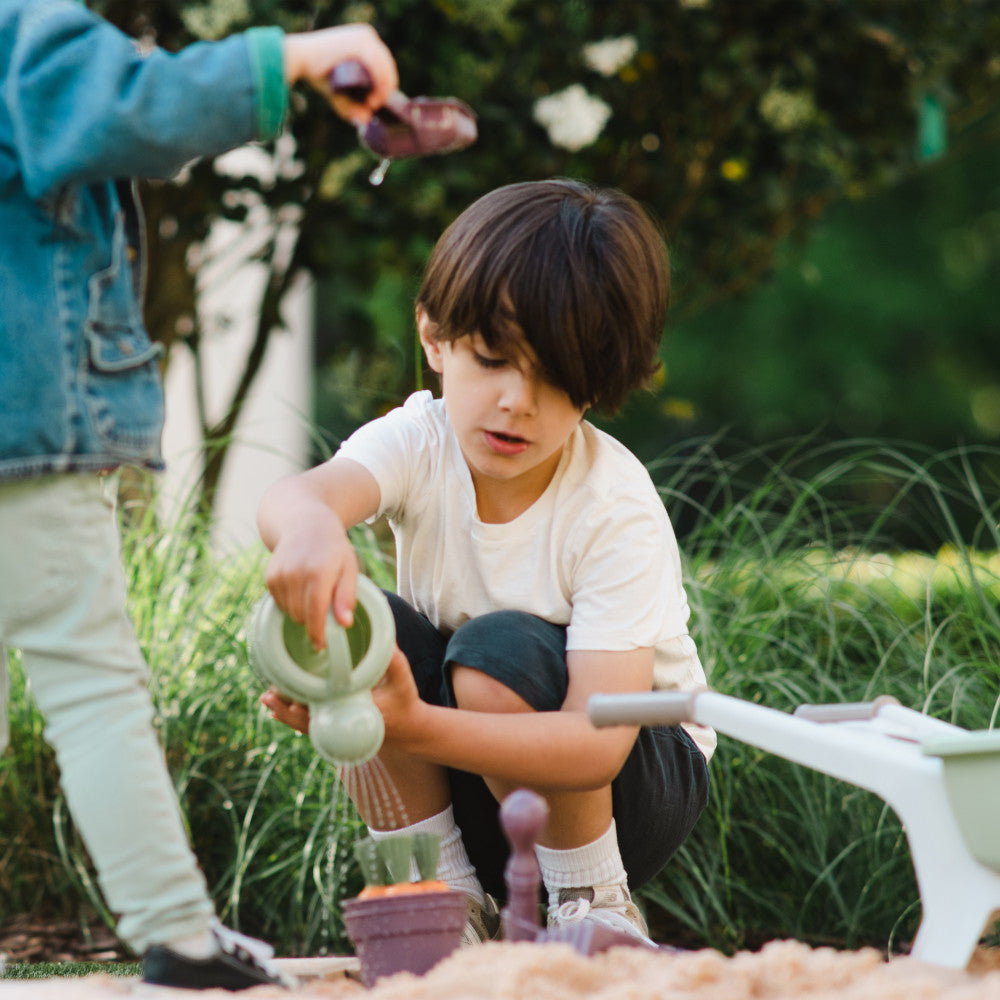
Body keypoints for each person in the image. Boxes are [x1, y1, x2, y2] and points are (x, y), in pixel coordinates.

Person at [0, 0, 397, 990]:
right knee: (90, 684)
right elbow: (138, 106)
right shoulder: (19, 34)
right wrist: (297, 58)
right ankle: (178, 935)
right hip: (22, 440)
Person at [258, 179, 716, 947]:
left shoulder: (612, 504)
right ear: (435, 338)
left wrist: (409, 724)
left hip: (627, 776)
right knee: (364, 635)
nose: (516, 402)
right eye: (494, 358)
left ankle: (592, 901)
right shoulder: (419, 439)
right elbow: (302, 496)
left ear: (598, 384)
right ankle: (437, 894)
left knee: (495, 652)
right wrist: (310, 532)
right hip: (471, 760)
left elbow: (598, 739)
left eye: (557, 376)